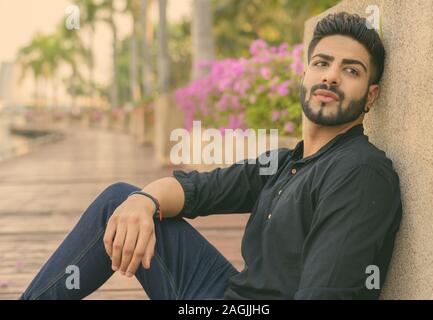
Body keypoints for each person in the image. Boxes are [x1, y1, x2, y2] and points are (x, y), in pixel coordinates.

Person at [20, 12, 402, 300]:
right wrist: (144, 200)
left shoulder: (359, 173)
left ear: (370, 96)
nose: (331, 76)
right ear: (304, 76)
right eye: (322, 63)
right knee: (119, 201)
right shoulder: (286, 163)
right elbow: (198, 189)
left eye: (350, 70)